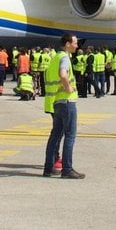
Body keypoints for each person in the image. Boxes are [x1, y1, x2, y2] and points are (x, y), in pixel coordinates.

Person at [42, 32, 84, 179]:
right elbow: (63, 74)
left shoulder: (55, 57)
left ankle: (48, 168)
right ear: (67, 44)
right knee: (70, 136)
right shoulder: (64, 58)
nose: (76, 45)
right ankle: (67, 169)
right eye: (75, 43)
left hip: (57, 102)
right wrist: (69, 88)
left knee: (55, 135)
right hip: (67, 101)